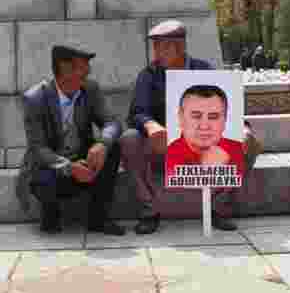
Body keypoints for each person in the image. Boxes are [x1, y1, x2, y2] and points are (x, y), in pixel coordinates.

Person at [120, 19, 262, 234]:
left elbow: (228, 106)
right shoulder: (149, 74)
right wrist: (151, 125)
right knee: (129, 139)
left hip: (204, 143)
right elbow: (137, 112)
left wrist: (244, 129)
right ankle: (149, 210)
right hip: (164, 144)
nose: (156, 53)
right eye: (155, 46)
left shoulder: (203, 69)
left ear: (180, 46)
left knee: (249, 142)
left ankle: (219, 207)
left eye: (163, 46)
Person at [15, 45, 125, 235]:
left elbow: (112, 122)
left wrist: (102, 144)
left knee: (113, 148)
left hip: (83, 161)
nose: (89, 70)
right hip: (52, 167)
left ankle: (98, 218)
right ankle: (51, 213)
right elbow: (38, 149)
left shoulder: (90, 89)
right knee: (43, 175)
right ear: (65, 69)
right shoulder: (35, 98)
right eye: (83, 66)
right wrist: (69, 167)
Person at [165, 84, 247, 178]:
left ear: (225, 120)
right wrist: (209, 172)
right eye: (196, 116)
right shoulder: (166, 157)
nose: (204, 126)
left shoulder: (241, 151)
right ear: (180, 118)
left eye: (213, 117)